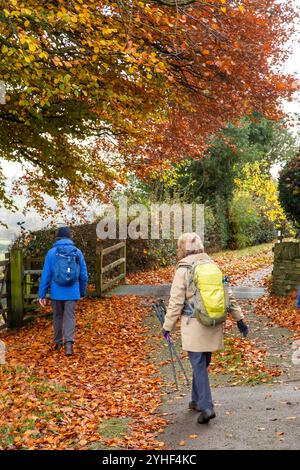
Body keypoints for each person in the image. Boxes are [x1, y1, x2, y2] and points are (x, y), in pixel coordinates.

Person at [162, 232, 248, 424]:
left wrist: (167, 326)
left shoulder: (183, 270)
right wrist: (239, 319)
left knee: (198, 364)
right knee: (201, 363)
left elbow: (175, 302)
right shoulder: (212, 266)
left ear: (182, 249)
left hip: (194, 324)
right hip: (213, 322)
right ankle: (196, 400)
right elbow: (228, 295)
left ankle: (207, 406)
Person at [38, 226, 88, 356]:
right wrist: (82, 292)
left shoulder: (51, 253)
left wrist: (42, 294)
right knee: (70, 316)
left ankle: (58, 343)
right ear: (70, 237)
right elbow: (83, 275)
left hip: (56, 292)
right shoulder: (77, 252)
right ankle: (69, 345)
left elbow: (46, 275)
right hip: (72, 291)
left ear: (58, 238)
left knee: (57, 316)